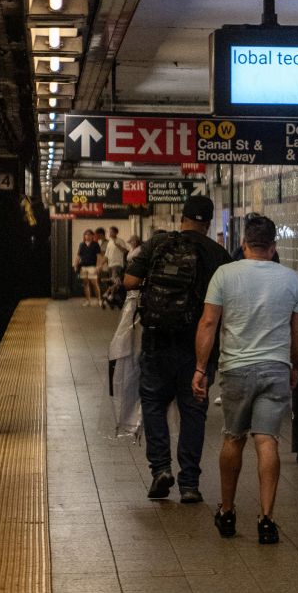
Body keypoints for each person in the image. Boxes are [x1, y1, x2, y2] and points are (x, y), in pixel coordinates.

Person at [192, 213, 298, 544]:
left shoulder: (224, 275)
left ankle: (227, 511)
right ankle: (267, 519)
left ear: (244, 244)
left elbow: (208, 324)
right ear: (272, 247)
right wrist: (295, 366)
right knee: (267, 440)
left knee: (233, 438)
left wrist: (201, 368)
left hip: (236, 369)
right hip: (275, 368)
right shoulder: (291, 279)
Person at [124, 196, 232, 503]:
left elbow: (130, 280)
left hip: (157, 340)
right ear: (208, 223)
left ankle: (160, 469)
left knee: (154, 404)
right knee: (193, 412)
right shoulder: (218, 254)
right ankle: (189, 484)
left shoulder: (157, 245)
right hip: (198, 345)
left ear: (181, 217)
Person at [101, 226, 128, 308]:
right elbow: (106, 255)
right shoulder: (109, 242)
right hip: (110, 264)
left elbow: (125, 251)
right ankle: (111, 296)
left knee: (115, 280)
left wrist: (118, 245)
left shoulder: (120, 241)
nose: (110, 233)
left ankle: (109, 294)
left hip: (117, 264)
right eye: (109, 232)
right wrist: (101, 264)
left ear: (116, 233)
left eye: (111, 232)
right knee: (113, 281)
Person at [73, 229, 101, 306]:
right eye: (86, 234)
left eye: (89, 234)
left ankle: (99, 299)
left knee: (94, 283)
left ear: (92, 236)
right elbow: (78, 256)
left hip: (92, 266)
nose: (87, 236)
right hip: (83, 267)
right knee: (85, 284)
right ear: (84, 236)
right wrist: (75, 265)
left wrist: (98, 266)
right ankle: (88, 301)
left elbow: (98, 256)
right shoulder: (82, 244)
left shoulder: (95, 244)